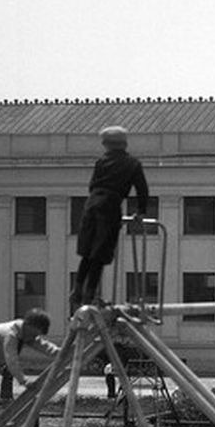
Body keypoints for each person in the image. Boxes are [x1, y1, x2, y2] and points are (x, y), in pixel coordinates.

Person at [71, 125, 150, 306]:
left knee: (87, 252)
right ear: (124, 144)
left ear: (107, 144)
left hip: (91, 205)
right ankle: (89, 295)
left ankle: (77, 289)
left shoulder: (101, 161)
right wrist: (140, 211)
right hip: (110, 207)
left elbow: (92, 185)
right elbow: (142, 189)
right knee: (99, 254)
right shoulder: (132, 163)